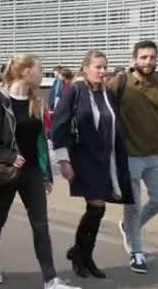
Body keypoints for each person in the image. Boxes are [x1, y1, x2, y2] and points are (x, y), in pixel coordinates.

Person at [0, 54, 80, 289]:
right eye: (40, 70)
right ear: (27, 72)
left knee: (40, 224)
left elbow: (40, 141)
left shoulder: (36, 101)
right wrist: (8, 156)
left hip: (31, 172)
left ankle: (51, 280)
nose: (44, 75)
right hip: (5, 171)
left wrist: (45, 174)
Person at [51, 50, 134, 279]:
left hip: (105, 161)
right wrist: (64, 160)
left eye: (105, 67)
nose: (102, 71)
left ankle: (82, 254)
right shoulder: (75, 91)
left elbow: (115, 124)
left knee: (97, 209)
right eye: (97, 66)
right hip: (83, 159)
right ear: (85, 68)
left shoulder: (108, 94)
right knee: (97, 206)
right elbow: (59, 125)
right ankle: (81, 256)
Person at [107, 41, 158, 274]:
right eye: (143, 57)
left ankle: (128, 228)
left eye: (152, 57)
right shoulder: (119, 84)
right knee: (132, 206)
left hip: (155, 157)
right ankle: (137, 252)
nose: (148, 61)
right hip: (129, 156)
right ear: (134, 59)